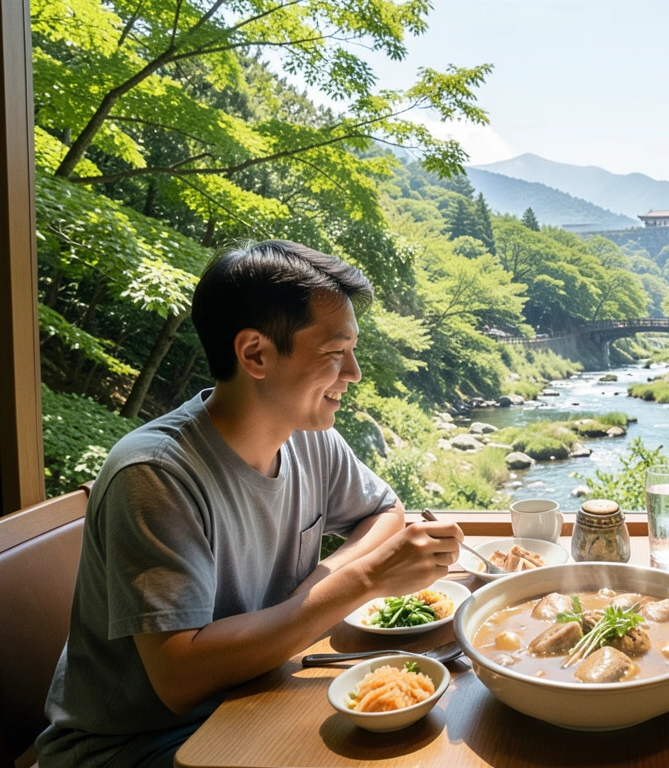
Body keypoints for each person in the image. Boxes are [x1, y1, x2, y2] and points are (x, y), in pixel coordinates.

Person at [36, 240, 462, 768]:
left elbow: (383, 513)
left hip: (254, 693)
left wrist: (310, 594)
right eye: (334, 353)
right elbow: (181, 680)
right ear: (255, 354)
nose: (353, 372)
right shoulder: (155, 473)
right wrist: (364, 581)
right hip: (140, 746)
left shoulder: (306, 434)